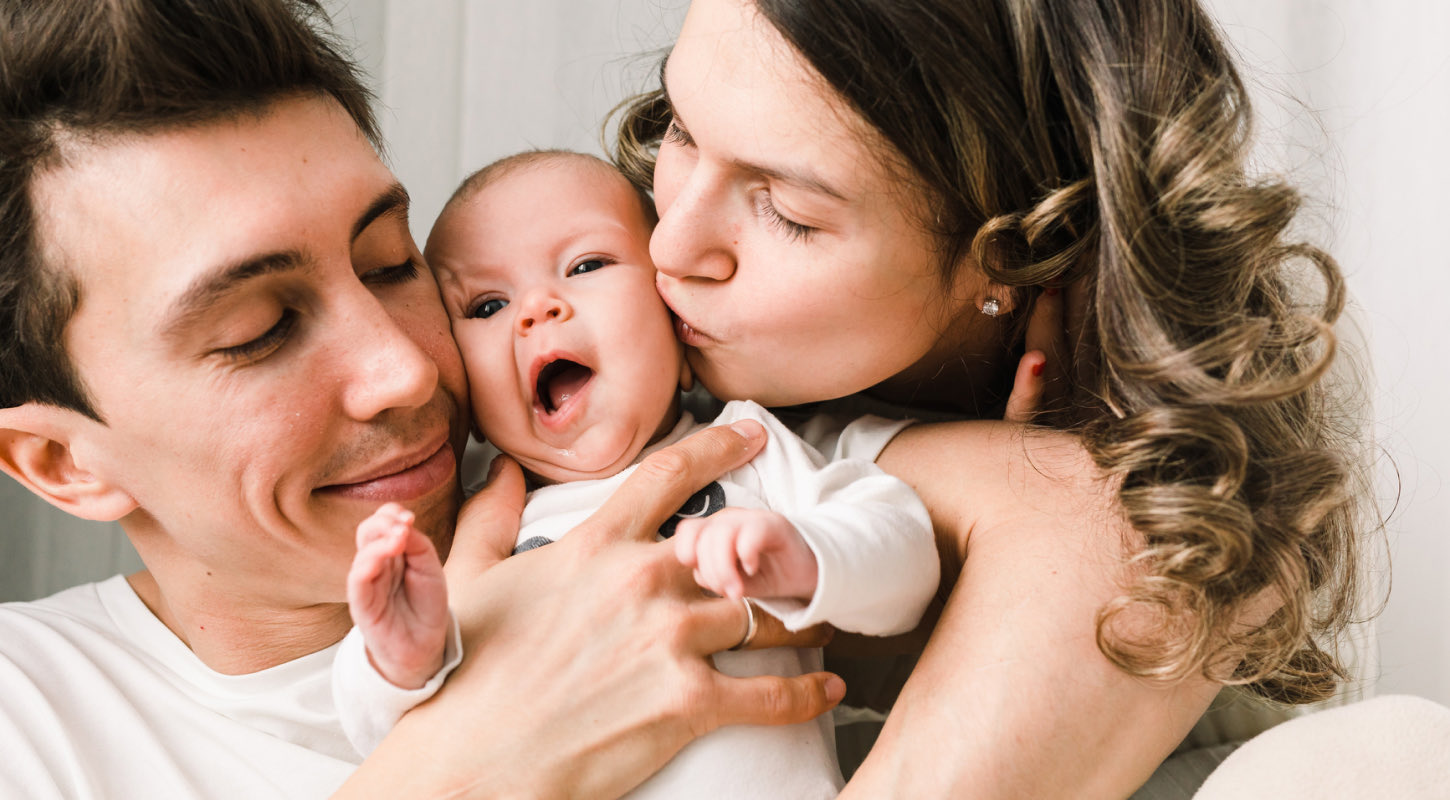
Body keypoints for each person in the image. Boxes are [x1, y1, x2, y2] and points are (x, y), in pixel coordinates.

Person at [0, 2, 847, 798]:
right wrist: (467, 765)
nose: (404, 369)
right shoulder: (30, 722)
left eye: (389, 266)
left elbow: (984, 491)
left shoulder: (617, 457)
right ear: (63, 463)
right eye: (260, 330)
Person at [609, 0, 1368, 795]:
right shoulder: (573, 292)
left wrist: (1029, 494)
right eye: (682, 129)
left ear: (1021, 246)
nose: (669, 245)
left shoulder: (1205, 453)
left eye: (790, 215)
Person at [331, 150, 938, 799]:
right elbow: (401, 747)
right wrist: (399, 653)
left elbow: (906, 560)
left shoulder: (749, 446)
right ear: (470, 405)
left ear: (682, 332)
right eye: (486, 306)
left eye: (586, 265)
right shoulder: (485, 529)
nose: (537, 309)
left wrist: (807, 557)